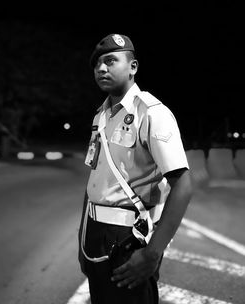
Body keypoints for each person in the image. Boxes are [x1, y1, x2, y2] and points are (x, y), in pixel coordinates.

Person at [78, 33, 192, 304]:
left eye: (110, 61)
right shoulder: (100, 116)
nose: (101, 68)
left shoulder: (152, 113)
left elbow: (183, 185)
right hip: (94, 234)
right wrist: (82, 242)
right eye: (97, 65)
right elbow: (94, 180)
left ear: (133, 67)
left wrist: (152, 253)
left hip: (129, 237)